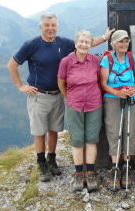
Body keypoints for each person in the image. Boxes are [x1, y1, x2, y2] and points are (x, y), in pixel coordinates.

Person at [7, 13, 113, 182]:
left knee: (54, 129)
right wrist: (20, 86)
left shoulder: (63, 43)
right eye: (47, 25)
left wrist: (104, 37)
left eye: (53, 25)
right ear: (40, 26)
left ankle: (52, 159)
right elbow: (12, 64)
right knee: (39, 131)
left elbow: (85, 44)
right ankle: (41, 163)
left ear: (57, 26)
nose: (50, 28)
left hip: (58, 95)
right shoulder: (31, 45)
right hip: (39, 95)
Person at [57, 30, 102, 192]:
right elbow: (61, 82)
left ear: (90, 45)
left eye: (87, 42)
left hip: (94, 104)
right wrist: (69, 97)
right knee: (77, 139)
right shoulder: (66, 62)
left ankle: (90, 173)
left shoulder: (95, 61)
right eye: (81, 41)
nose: (84, 44)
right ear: (76, 43)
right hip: (74, 104)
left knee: (91, 139)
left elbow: (99, 79)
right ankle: (78, 173)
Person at [100, 30, 135, 190]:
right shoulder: (107, 59)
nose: (124, 44)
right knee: (113, 131)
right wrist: (117, 92)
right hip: (112, 98)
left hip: (131, 98)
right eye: (120, 41)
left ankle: (126, 168)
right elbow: (103, 83)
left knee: (129, 132)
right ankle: (114, 167)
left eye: (126, 41)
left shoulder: (133, 58)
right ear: (113, 44)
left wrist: (134, 90)